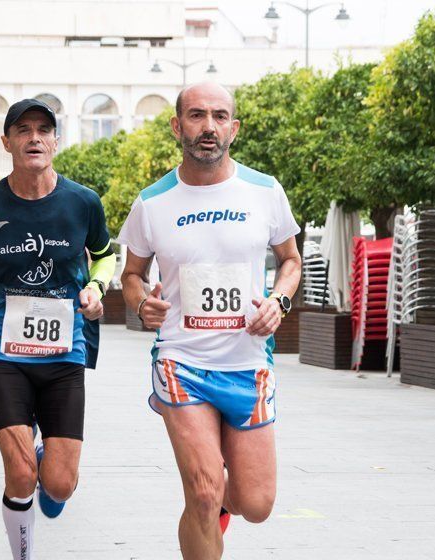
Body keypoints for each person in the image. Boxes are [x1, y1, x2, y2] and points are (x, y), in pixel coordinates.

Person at [118, 82, 302, 559]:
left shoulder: (264, 190)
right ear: (178, 126)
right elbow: (132, 276)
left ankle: (218, 509)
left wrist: (278, 303)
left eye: (220, 116)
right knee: (202, 491)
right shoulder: (152, 202)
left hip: (247, 364)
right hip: (182, 361)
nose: (209, 126)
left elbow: (291, 261)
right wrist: (141, 305)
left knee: (254, 504)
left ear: (234, 129)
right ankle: (206, 510)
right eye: (197, 115)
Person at [0, 98, 115, 560]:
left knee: (59, 484)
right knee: (19, 475)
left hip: (64, 353)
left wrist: (97, 287)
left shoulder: (83, 203)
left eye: (44, 130)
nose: (34, 137)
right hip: (3, 350)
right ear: (7, 142)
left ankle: (48, 463)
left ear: (56, 141)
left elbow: (105, 254)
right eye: (23, 130)